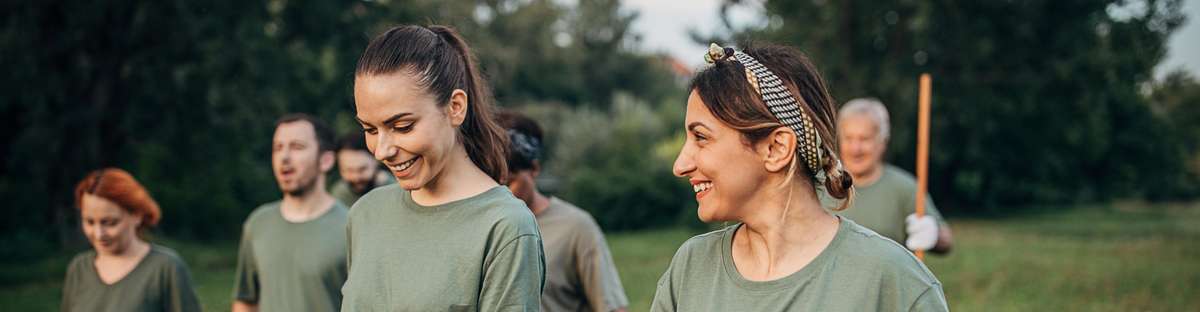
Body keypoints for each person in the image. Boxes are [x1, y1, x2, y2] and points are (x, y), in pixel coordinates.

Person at [651, 43, 948, 311]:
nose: (680, 165)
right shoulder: (690, 269)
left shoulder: (895, 283)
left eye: (701, 138)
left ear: (776, 148)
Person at [341, 24, 544, 311]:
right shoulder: (365, 214)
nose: (382, 151)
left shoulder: (505, 227)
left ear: (455, 107)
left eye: (402, 126)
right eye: (370, 129)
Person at [497, 110, 629, 312]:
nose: (501, 192)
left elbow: (613, 307)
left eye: (509, 182)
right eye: (493, 181)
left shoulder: (576, 227)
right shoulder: (482, 228)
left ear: (534, 169)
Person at [231, 114, 348, 312]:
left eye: (297, 147)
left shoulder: (351, 225)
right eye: (278, 148)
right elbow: (246, 301)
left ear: (326, 160)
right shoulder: (258, 223)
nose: (284, 157)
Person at [61, 168, 201, 312]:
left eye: (109, 222)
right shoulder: (78, 269)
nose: (98, 234)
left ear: (137, 215)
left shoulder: (166, 269)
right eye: (89, 222)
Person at [835, 98, 954, 254]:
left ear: (883, 142)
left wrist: (935, 235)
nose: (855, 148)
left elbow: (947, 242)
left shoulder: (904, 188)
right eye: (849, 138)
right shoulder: (821, 186)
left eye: (864, 139)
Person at [330, 131, 393, 207]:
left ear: (377, 160)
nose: (356, 177)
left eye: (362, 169)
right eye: (348, 170)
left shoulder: (395, 190)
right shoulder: (339, 194)